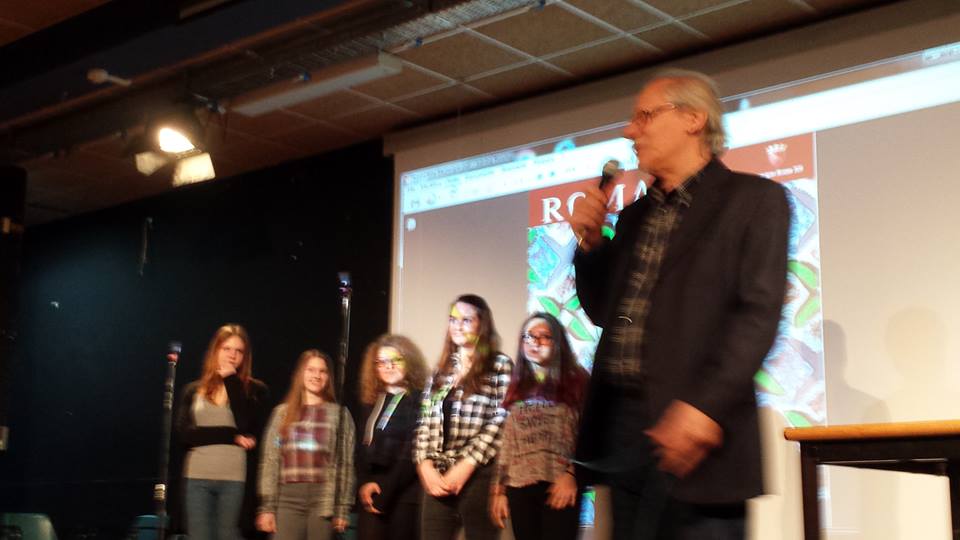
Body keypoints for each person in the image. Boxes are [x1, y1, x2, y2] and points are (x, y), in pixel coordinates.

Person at [567, 69, 790, 540]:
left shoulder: (754, 200)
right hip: (624, 432)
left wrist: (703, 407)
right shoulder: (634, 216)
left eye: (644, 116)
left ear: (693, 119)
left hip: (700, 435)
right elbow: (606, 313)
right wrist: (591, 245)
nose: (630, 130)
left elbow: (758, 315)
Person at [414, 294, 513, 540]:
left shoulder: (500, 365)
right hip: (438, 474)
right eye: (453, 319)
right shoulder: (441, 371)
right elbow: (424, 421)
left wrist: (466, 465)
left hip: (479, 473)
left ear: (482, 324)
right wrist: (424, 465)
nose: (457, 326)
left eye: (466, 320)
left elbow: (502, 420)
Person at [489, 313, 590, 540]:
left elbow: (588, 434)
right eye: (529, 336)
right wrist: (499, 490)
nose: (535, 342)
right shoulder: (518, 385)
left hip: (560, 483)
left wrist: (572, 474)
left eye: (544, 336)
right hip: (519, 486)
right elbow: (507, 442)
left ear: (558, 342)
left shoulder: (578, 380)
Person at [176, 323, 270, 540]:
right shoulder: (193, 390)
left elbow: (245, 425)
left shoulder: (255, 390)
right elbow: (185, 434)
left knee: (228, 535)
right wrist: (231, 436)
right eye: (226, 348)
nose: (232, 355)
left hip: (234, 478)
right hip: (197, 477)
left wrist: (231, 380)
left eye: (239, 351)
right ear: (215, 350)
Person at [256, 349, 356, 540]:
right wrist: (266, 507)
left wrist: (342, 508)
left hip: (323, 501)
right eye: (311, 370)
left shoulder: (340, 415)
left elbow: (345, 465)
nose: (316, 375)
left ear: (328, 377)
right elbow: (271, 459)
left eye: (322, 371)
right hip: (287, 500)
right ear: (300, 374)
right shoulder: (281, 414)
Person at [356, 335, 429, 540]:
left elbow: (411, 450)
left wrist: (386, 492)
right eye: (381, 362)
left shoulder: (419, 400)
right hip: (372, 491)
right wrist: (364, 483)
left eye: (395, 360)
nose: (388, 367)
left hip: (404, 494)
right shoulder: (371, 402)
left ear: (409, 361)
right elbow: (360, 448)